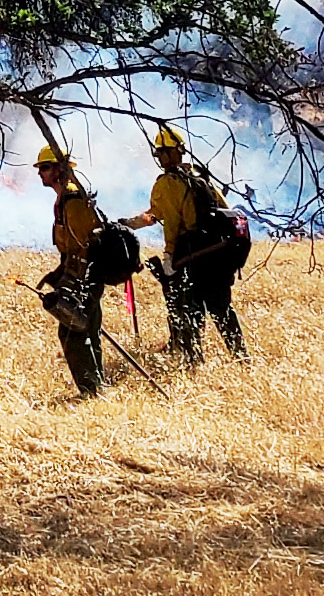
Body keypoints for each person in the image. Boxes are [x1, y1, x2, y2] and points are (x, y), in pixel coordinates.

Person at [35, 142, 148, 396]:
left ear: (58, 170)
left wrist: (70, 279)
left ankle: (91, 391)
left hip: (83, 277)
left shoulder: (73, 201)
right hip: (81, 275)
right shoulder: (66, 198)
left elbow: (83, 247)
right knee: (88, 329)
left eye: (44, 167)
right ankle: (97, 388)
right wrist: (57, 273)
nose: (39, 173)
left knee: (73, 333)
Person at [145, 125, 251, 363]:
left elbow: (171, 222)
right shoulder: (200, 177)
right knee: (223, 310)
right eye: (158, 153)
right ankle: (242, 358)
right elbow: (224, 208)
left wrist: (169, 257)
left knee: (190, 313)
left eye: (162, 152)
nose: (160, 157)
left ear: (175, 152)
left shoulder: (168, 183)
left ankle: (194, 365)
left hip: (190, 257)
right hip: (217, 255)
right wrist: (133, 222)